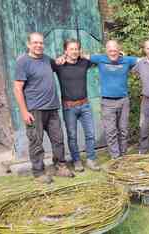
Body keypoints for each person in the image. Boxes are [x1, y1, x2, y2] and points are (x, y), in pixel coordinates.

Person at [14, 32, 74, 184]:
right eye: (35, 43)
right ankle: (39, 172)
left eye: (41, 43)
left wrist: (62, 58)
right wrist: (24, 111)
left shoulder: (47, 59)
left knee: (58, 139)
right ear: (29, 44)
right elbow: (17, 88)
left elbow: (59, 63)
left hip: (52, 108)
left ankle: (60, 166)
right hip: (35, 110)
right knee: (36, 141)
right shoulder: (23, 62)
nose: (39, 45)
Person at [82, 40, 138, 159]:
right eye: (110, 50)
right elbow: (81, 55)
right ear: (106, 51)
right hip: (107, 102)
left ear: (119, 50)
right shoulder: (100, 59)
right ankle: (115, 157)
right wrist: (63, 57)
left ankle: (123, 156)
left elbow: (144, 60)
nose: (113, 53)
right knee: (111, 131)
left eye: (115, 50)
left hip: (123, 101)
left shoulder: (127, 60)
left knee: (123, 130)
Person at [51, 39, 100, 172]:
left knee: (90, 134)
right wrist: (58, 59)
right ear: (65, 51)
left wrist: (121, 55)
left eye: (76, 49)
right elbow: (44, 65)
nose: (74, 51)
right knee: (72, 136)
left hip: (85, 105)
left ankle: (91, 159)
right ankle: (76, 160)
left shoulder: (84, 63)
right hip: (69, 107)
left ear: (79, 50)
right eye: (71, 49)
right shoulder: (59, 65)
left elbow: (102, 59)